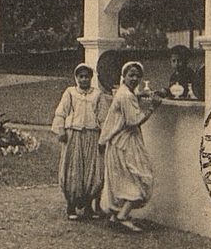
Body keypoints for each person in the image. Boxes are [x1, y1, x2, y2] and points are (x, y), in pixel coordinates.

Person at [99, 61, 162, 232]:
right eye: (131, 75)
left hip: (118, 143)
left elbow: (130, 102)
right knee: (141, 177)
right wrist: (152, 108)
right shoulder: (125, 95)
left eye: (137, 75)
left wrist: (140, 96)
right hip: (125, 143)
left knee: (124, 179)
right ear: (124, 77)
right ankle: (122, 217)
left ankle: (116, 215)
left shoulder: (126, 93)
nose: (134, 78)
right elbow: (133, 120)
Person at [51, 63, 111, 220]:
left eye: (87, 76)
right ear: (76, 78)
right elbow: (61, 113)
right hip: (74, 135)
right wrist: (61, 130)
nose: (84, 80)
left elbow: (104, 118)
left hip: (92, 136)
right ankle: (71, 206)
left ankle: (89, 206)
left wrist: (103, 138)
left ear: (92, 78)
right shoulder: (70, 93)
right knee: (73, 169)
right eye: (81, 77)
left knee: (92, 170)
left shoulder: (97, 95)